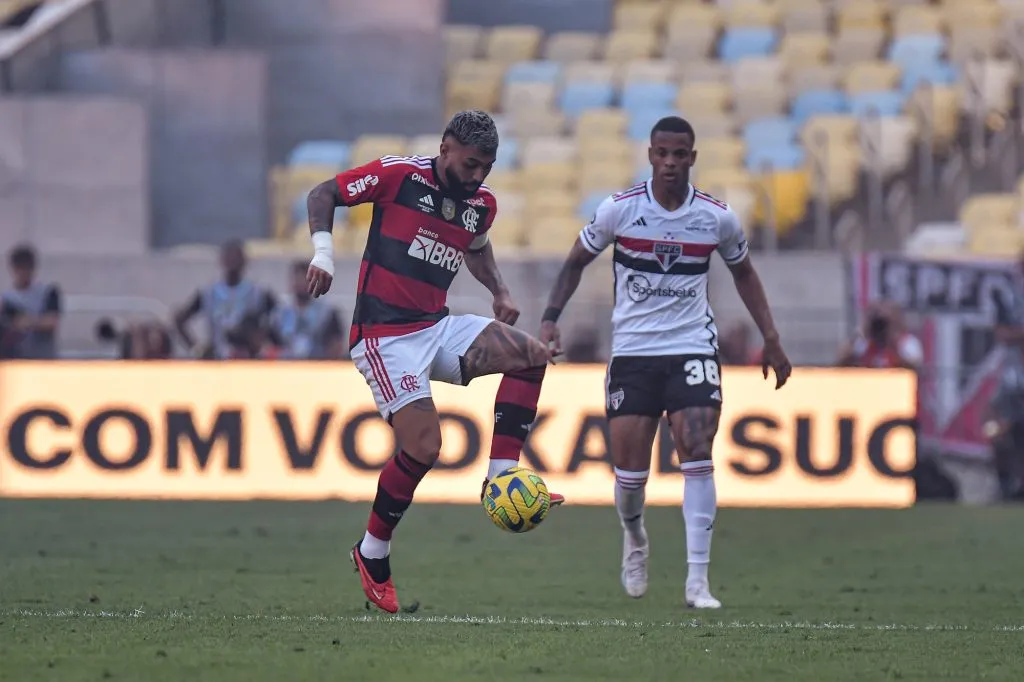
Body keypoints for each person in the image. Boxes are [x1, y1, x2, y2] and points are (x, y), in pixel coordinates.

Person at [304, 110, 564, 614]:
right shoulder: (400, 176)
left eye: (486, 167)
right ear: (446, 148)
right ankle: (372, 551)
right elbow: (322, 194)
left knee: (530, 356)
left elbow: (477, 246)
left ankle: (501, 478)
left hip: (435, 324)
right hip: (385, 334)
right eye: (470, 165)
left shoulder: (480, 204)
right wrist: (323, 255)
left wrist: (501, 291)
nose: (477, 177)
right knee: (425, 448)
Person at [539, 116, 792, 609]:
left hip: (692, 347)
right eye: (662, 154)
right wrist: (549, 319)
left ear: (693, 158)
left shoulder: (717, 218)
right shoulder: (619, 211)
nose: (671, 163)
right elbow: (574, 262)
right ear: (650, 155)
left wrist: (772, 337)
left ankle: (698, 582)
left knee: (697, 452)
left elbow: (745, 274)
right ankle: (634, 536)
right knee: (630, 478)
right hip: (633, 352)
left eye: (680, 154)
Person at [173, 240, 277, 359]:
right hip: (218, 358)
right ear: (221, 261)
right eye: (229, 257)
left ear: (245, 261)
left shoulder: (258, 292)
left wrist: (262, 338)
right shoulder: (208, 293)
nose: (232, 261)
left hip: (248, 359)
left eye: (236, 257)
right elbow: (179, 320)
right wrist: (197, 348)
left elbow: (278, 318)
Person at [271, 260, 345, 360]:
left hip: (318, 365)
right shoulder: (280, 312)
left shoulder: (327, 312)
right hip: (286, 365)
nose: (301, 284)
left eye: (305, 280)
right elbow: (270, 343)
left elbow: (336, 343)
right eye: (298, 279)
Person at [0, 244, 62, 360]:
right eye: (19, 269)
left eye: (26, 268)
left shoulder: (48, 292)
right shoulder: (6, 298)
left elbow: (52, 321)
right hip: (15, 359)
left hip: (42, 358)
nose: (22, 273)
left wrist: (27, 322)